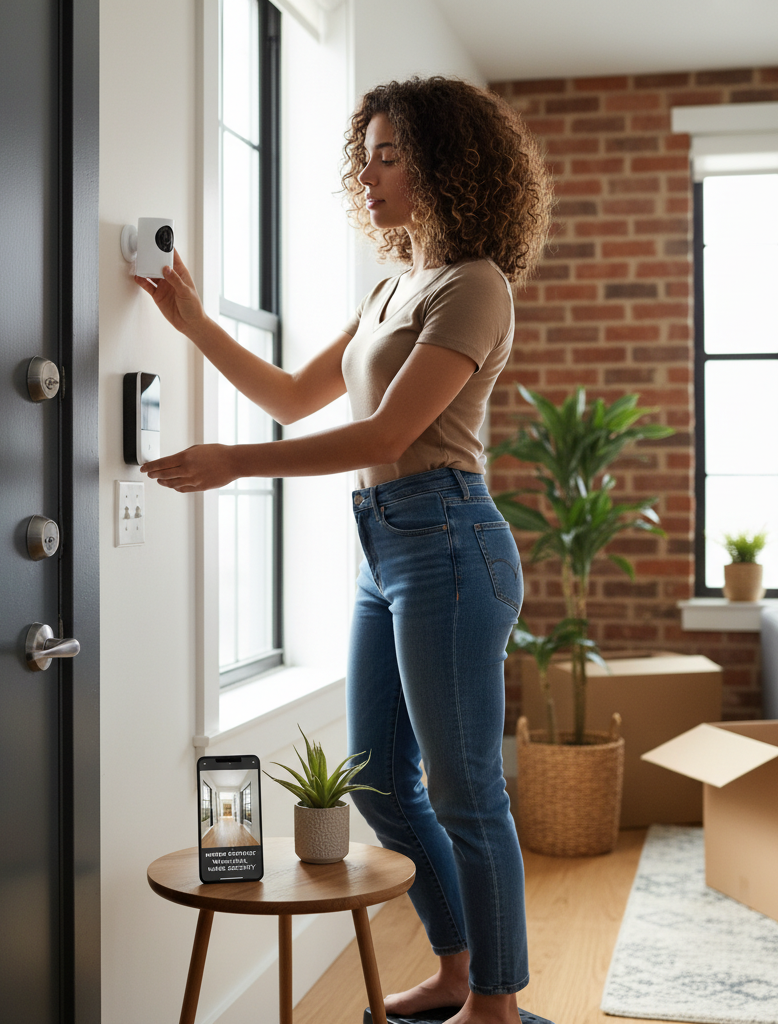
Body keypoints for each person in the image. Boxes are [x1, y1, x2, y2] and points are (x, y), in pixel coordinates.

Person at [137, 76, 553, 1024]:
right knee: (380, 781)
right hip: (385, 550)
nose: (367, 176)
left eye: (390, 155)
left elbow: (384, 438)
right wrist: (196, 321)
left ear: (445, 166)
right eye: (363, 156)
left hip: (450, 541)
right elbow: (293, 397)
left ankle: (496, 1005)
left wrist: (232, 462)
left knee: (465, 792)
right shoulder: (391, 287)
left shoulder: (475, 286)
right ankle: (455, 971)